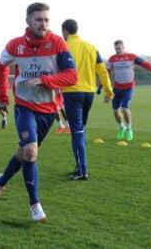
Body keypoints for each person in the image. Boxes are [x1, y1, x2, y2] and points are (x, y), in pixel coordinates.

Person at [0, 2, 77, 222]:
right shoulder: (15, 45)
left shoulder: (58, 43)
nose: (43, 24)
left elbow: (72, 76)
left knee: (24, 153)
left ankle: (2, 180)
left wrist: (45, 80)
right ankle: (35, 204)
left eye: (46, 19)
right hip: (24, 106)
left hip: (48, 110)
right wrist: (1, 96)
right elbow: (2, 67)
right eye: (38, 19)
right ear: (27, 21)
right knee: (30, 152)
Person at [61, 19, 113, 180]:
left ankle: (82, 171)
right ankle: (79, 165)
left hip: (72, 92)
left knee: (76, 131)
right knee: (80, 129)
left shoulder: (63, 47)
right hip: (88, 93)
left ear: (65, 31)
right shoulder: (91, 47)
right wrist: (108, 91)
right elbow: (102, 71)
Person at [107, 40, 151, 141]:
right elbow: (106, 73)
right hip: (116, 88)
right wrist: (104, 87)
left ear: (124, 47)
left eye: (119, 48)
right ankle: (121, 127)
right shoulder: (112, 59)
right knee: (115, 111)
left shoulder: (132, 57)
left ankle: (129, 129)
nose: (117, 50)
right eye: (116, 49)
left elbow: (145, 64)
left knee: (125, 108)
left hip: (128, 88)